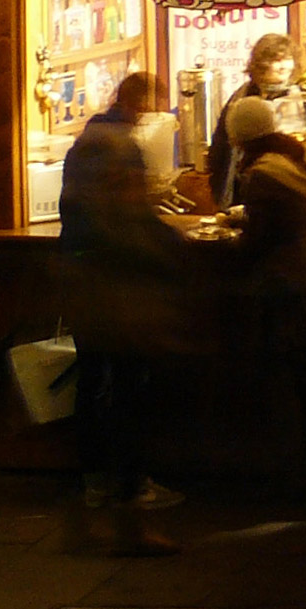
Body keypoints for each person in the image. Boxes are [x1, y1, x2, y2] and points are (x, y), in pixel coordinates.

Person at [57, 73, 189, 554]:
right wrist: (171, 245)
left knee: (93, 386)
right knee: (132, 398)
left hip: (88, 293)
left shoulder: (87, 147)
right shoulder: (118, 150)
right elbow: (133, 222)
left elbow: (81, 221)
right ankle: (131, 503)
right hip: (119, 300)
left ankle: (92, 491)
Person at [229, 120, 306, 487]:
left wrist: (233, 241)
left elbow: (258, 238)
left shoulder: (262, 176)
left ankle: (288, 474)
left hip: (279, 288)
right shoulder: (302, 163)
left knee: (281, 381)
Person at [208, 33, 306, 210]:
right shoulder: (240, 98)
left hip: (298, 186)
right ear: (259, 64)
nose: (283, 66)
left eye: (288, 59)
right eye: (276, 60)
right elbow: (221, 146)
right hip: (249, 187)